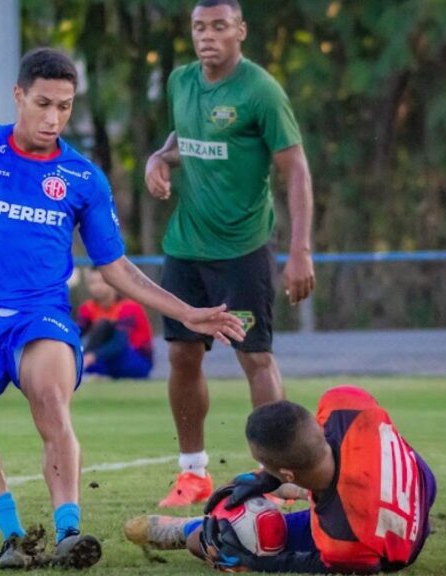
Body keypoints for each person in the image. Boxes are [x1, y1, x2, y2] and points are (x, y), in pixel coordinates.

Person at [0, 48, 246, 570]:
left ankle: (70, 530)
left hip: (39, 315)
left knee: (50, 395)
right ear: (19, 96)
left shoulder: (82, 178)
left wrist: (186, 311)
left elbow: (115, 267)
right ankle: (11, 537)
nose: (53, 118)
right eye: (43, 104)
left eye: (65, 107)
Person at [144, 0, 317, 507]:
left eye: (219, 26)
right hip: (186, 247)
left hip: (243, 250)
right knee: (181, 355)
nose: (207, 36)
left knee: (255, 357)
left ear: (240, 30)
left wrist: (301, 249)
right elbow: (187, 140)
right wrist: (158, 157)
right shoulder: (180, 82)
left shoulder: (260, 91)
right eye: (199, 27)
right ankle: (192, 472)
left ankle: (279, 473)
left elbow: (297, 169)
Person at [124, 385, 437, 574]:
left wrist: (255, 563)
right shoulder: (344, 402)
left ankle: (193, 532)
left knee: (236, 540)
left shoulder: (342, 540)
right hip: (418, 480)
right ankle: (203, 527)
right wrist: (264, 479)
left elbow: (324, 566)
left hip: (394, 540)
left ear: (287, 474)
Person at [77, 268, 154, 380]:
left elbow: (120, 343)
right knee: (100, 327)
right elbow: (76, 333)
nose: (97, 286)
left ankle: (92, 369)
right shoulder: (87, 308)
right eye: (92, 282)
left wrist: (90, 357)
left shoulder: (129, 307)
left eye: (101, 281)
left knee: (104, 325)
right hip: (104, 358)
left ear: (113, 282)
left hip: (135, 358)